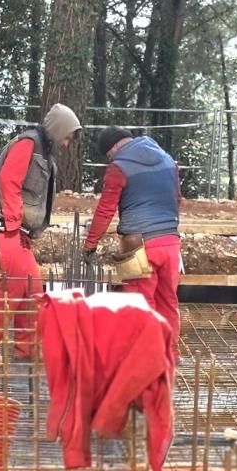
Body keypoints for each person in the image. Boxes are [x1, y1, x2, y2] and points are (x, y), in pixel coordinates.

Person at [0, 103, 82, 358]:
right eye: (66, 137)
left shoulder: (45, 153)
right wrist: (14, 222)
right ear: (58, 129)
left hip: (16, 232)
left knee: (33, 289)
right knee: (15, 283)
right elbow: (8, 180)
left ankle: (26, 350)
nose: (66, 144)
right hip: (0, 228)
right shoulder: (29, 143)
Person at [82, 126, 182, 355]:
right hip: (170, 243)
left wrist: (90, 244)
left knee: (140, 303)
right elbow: (177, 199)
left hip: (139, 247)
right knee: (168, 302)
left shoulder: (118, 167)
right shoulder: (168, 160)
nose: (110, 159)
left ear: (114, 147)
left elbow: (105, 210)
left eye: (109, 154)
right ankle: (169, 355)